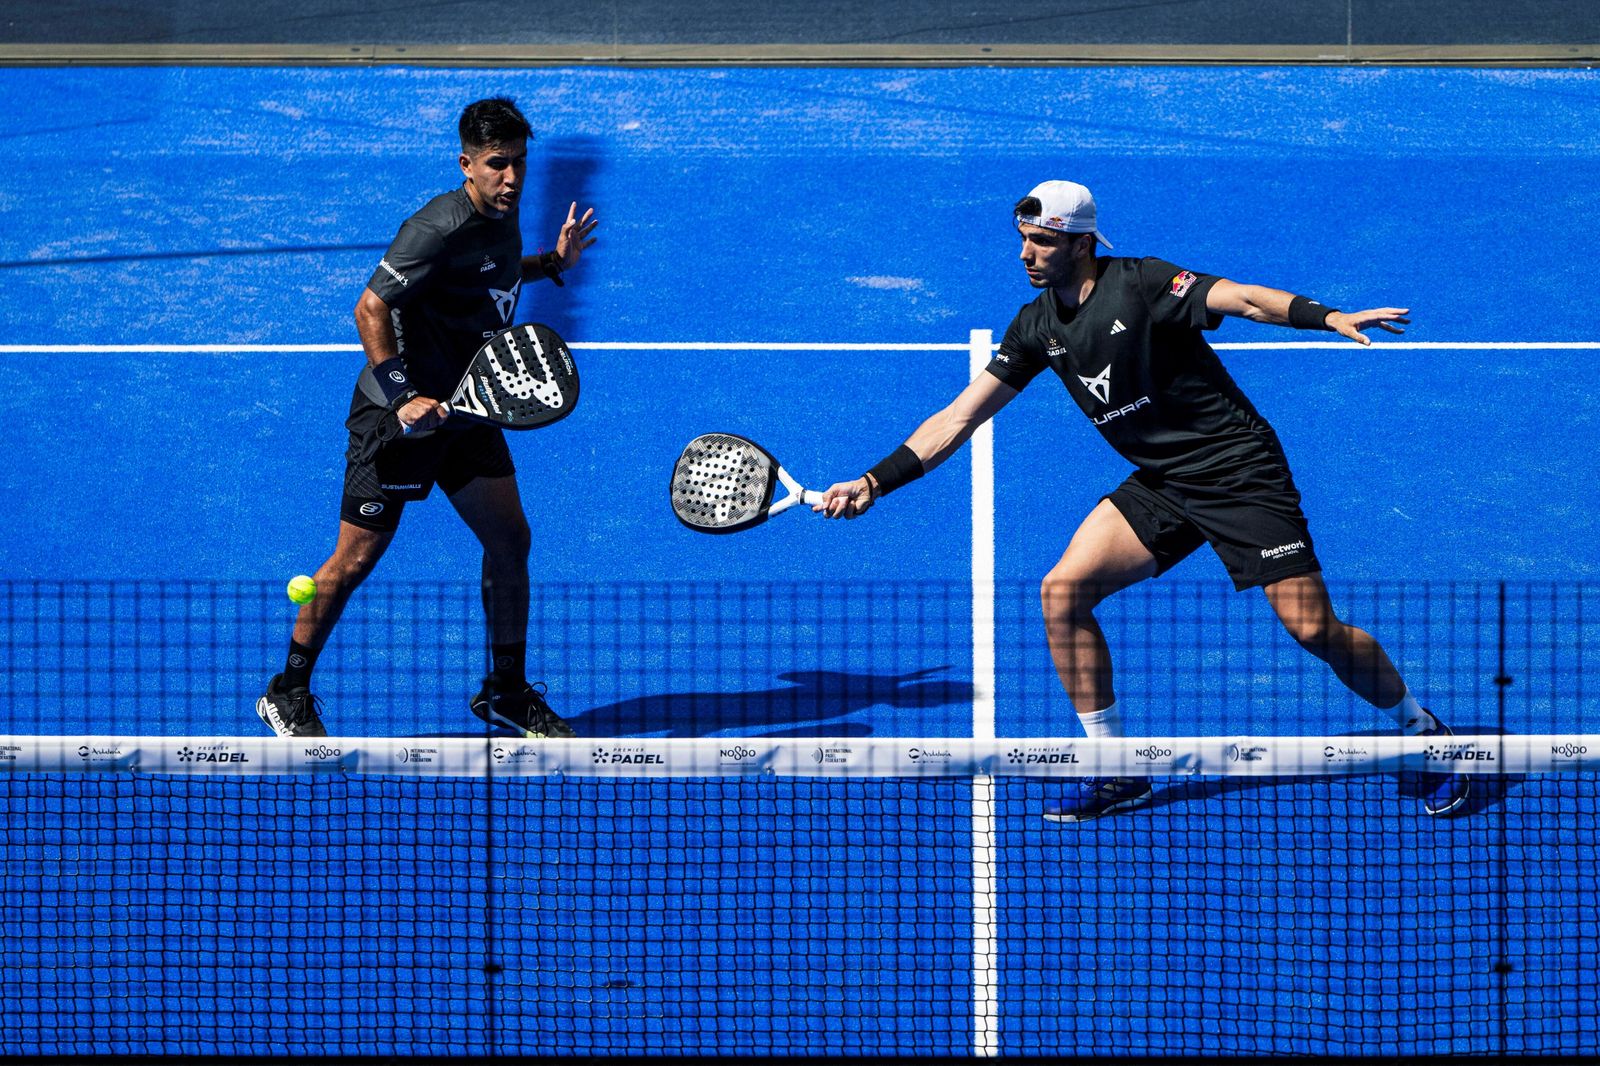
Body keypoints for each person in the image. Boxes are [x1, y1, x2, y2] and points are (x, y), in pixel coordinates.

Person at [815, 179, 1469, 820]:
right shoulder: (1036, 325)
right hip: (1164, 482)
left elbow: (1242, 298)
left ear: (1081, 244)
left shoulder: (1142, 282)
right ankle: (1117, 766)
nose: (1025, 253)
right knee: (1063, 593)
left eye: (1042, 241)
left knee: (1313, 628)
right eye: (1023, 239)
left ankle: (1425, 734)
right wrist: (873, 482)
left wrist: (1324, 316)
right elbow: (959, 418)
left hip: (1238, 472)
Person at [256, 97, 597, 740]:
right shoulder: (434, 228)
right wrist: (403, 395)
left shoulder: (504, 213)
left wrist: (551, 265)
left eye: (520, 163)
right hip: (401, 422)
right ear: (467, 164)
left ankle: (505, 691)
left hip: (470, 408)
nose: (512, 178)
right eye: (497, 164)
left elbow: (490, 275)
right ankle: (287, 691)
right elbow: (368, 308)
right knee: (355, 561)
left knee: (510, 541)